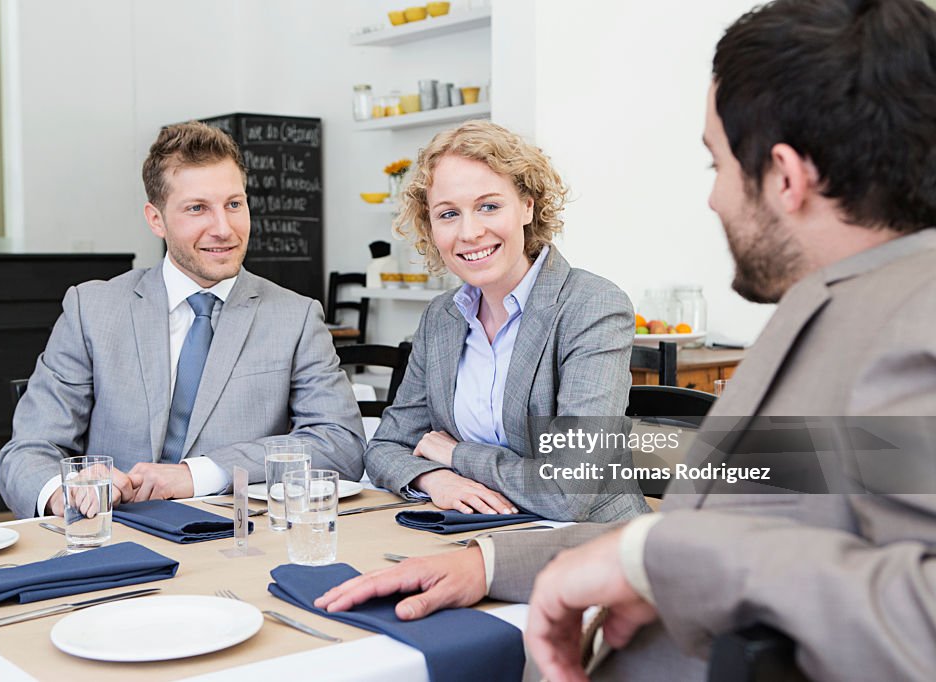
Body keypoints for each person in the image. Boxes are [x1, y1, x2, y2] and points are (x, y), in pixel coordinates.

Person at [316, 1, 936, 679]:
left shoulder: (910, 326)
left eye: (715, 166)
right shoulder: (830, 309)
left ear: (785, 176)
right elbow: (747, 511)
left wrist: (650, 561)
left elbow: (910, 608)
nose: (714, 200)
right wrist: (493, 561)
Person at [0, 122, 365, 519]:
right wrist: (66, 491)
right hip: (114, 536)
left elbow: (339, 443)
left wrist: (199, 474)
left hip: (236, 538)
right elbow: (27, 451)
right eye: (197, 208)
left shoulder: (295, 316)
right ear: (156, 219)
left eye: (234, 204)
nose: (223, 229)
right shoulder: (92, 309)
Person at [365, 121, 648, 522]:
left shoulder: (592, 306)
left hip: (588, 549)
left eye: (489, 206)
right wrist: (436, 480)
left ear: (527, 206)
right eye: (448, 214)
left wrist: (456, 455)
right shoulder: (442, 317)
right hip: (471, 534)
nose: (470, 232)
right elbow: (385, 446)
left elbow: (570, 490)